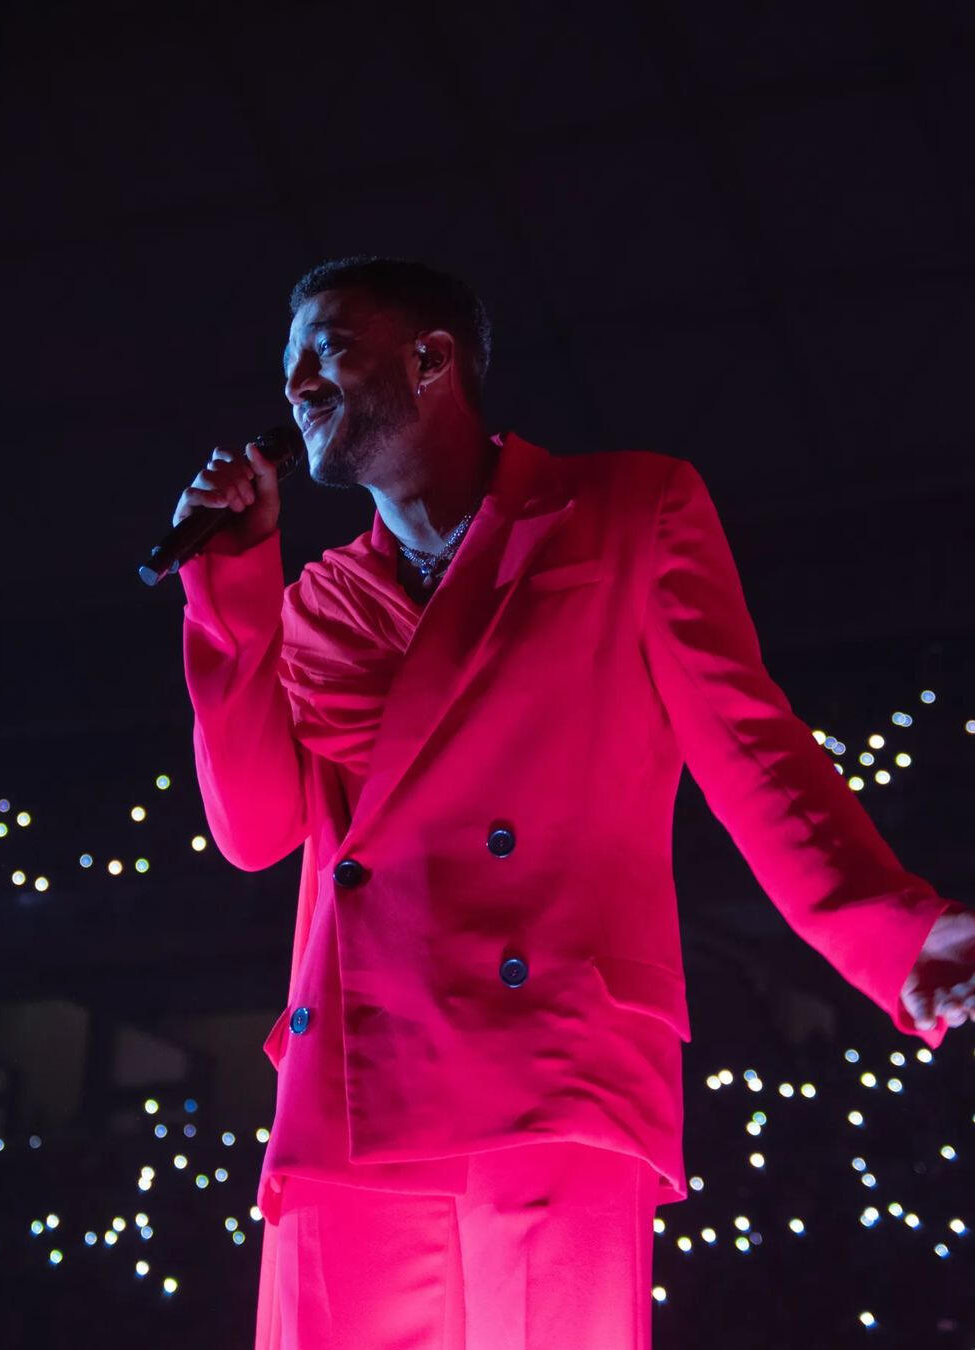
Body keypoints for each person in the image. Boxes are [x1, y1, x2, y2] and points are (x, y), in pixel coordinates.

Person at [174, 256, 974, 1350]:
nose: (296, 384)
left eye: (329, 350)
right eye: (287, 364)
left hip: (549, 1058)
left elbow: (753, 750)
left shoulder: (628, 511)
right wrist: (229, 590)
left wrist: (896, 929)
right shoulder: (319, 603)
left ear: (430, 359)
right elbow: (255, 831)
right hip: (352, 1079)